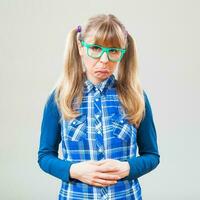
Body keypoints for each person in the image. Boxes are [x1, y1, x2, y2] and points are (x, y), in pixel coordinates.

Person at [37, 13, 160, 200]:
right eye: (95, 48)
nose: (104, 60)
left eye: (113, 51)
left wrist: (128, 167)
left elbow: (152, 155)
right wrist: (73, 170)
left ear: (122, 52)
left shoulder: (136, 97)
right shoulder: (59, 98)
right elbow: (45, 156)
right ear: (80, 47)